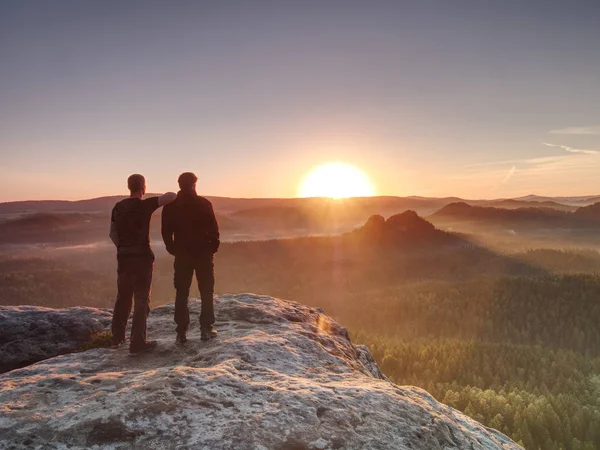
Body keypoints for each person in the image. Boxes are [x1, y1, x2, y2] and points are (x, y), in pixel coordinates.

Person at [109, 174, 176, 355]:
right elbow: (172, 196)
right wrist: (155, 199)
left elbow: (112, 233)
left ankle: (117, 338)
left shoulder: (118, 207)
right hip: (142, 259)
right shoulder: (145, 205)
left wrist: (122, 247)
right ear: (143, 187)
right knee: (141, 299)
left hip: (124, 258)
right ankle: (137, 343)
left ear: (128, 186)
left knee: (122, 297)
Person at [161, 172, 220, 343]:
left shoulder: (171, 206)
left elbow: (166, 232)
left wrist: (172, 249)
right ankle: (206, 328)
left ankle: (181, 332)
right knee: (206, 291)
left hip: (182, 254)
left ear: (179, 184)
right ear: (194, 184)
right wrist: (212, 248)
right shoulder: (204, 203)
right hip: (203, 253)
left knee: (182, 292)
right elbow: (214, 229)